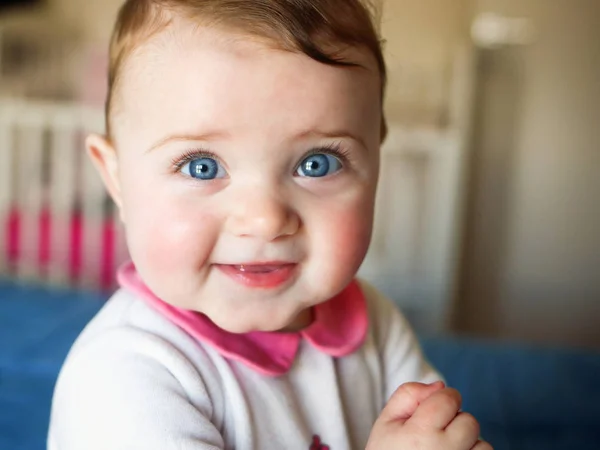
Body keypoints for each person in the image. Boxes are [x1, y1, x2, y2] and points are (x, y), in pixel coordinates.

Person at [48, 1, 491, 449]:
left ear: (377, 164)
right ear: (117, 180)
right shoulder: (126, 377)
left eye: (317, 163)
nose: (265, 220)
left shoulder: (373, 323)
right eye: (201, 166)